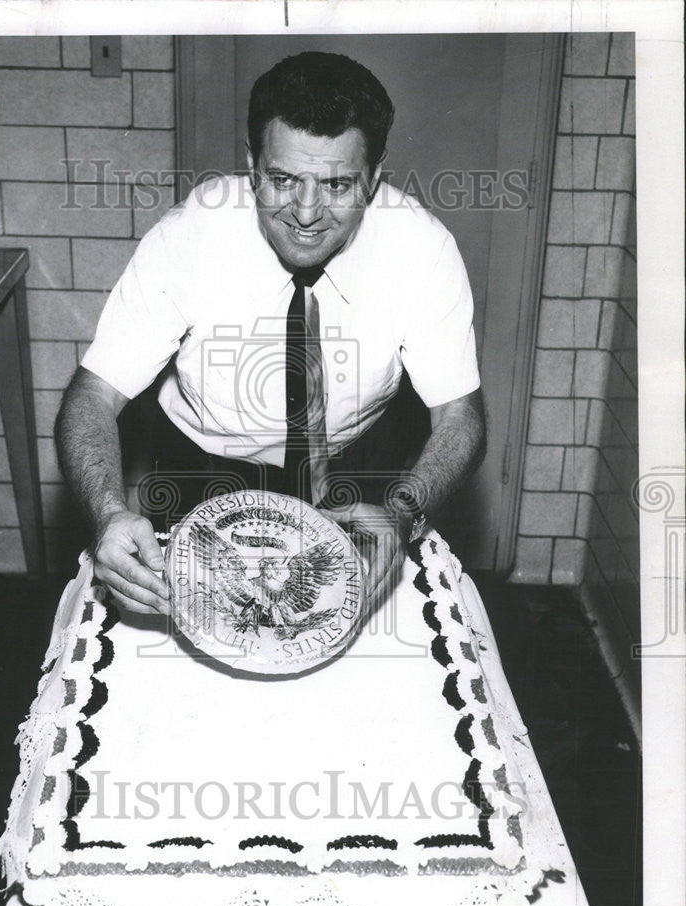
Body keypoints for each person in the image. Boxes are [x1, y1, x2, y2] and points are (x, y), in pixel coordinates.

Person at [55, 51, 485, 618]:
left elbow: (461, 416)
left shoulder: (423, 251)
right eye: (283, 180)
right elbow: (91, 397)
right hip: (200, 472)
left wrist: (402, 511)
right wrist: (109, 512)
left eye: (337, 184)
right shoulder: (188, 238)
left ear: (375, 176)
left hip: (355, 473)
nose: (306, 213)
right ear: (252, 163)